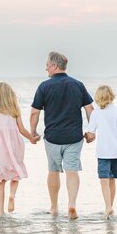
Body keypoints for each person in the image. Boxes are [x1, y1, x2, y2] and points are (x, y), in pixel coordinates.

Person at [30, 51, 94, 219]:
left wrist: (33, 132)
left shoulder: (44, 87)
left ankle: (53, 207)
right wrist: (92, 131)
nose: (46, 69)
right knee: (72, 171)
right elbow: (90, 110)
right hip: (74, 137)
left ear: (55, 66)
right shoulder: (78, 85)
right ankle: (72, 203)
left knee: (53, 170)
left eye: (47, 65)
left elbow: (34, 113)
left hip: (52, 138)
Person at [0, 82, 40, 216]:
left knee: (0, 180)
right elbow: (22, 130)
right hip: (15, 144)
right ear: (10, 95)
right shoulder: (14, 109)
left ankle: (1, 211)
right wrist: (31, 139)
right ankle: (12, 195)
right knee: (16, 172)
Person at [84, 85, 117, 218]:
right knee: (112, 180)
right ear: (111, 95)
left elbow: (91, 135)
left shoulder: (96, 113)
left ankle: (108, 207)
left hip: (103, 152)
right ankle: (110, 207)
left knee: (103, 180)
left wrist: (85, 137)